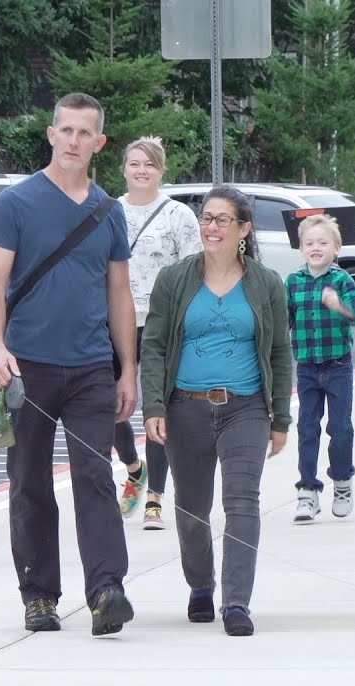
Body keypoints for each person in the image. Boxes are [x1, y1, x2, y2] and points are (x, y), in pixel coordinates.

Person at [0, 92, 136, 636]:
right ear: (51, 135)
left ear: (100, 142)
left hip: (92, 368)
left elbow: (120, 294)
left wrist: (128, 370)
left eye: (84, 133)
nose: (73, 141)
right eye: (65, 131)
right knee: (29, 483)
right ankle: (39, 596)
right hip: (28, 370)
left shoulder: (110, 211)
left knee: (95, 476)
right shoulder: (16, 203)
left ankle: (107, 591)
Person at [140, 184, 293, 637]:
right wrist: (153, 404)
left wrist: (280, 417)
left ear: (244, 228)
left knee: (243, 502)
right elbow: (153, 346)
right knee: (191, 509)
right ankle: (201, 585)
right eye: (206, 218)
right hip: (184, 406)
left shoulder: (266, 283)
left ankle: (237, 602)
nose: (211, 227)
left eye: (221, 219)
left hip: (245, 407)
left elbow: (281, 352)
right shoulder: (175, 278)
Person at [112, 136, 203, 530]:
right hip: (115, 319)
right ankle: (134, 468)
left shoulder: (178, 215)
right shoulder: (108, 212)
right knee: (110, 404)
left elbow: (194, 269)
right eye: (134, 163)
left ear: (161, 170)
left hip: (161, 321)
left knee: (156, 407)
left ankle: (155, 498)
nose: (141, 170)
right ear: (124, 169)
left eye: (149, 163)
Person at [286, 214, 355, 524]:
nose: (316, 247)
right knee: (307, 428)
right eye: (309, 243)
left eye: (323, 242)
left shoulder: (341, 280)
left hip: (337, 365)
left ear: (336, 248)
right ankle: (307, 491)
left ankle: (343, 481)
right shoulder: (293, 282)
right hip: (307, 366)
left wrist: (339, 306)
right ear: (301, 248)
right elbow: (285, 320)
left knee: (340, 428)